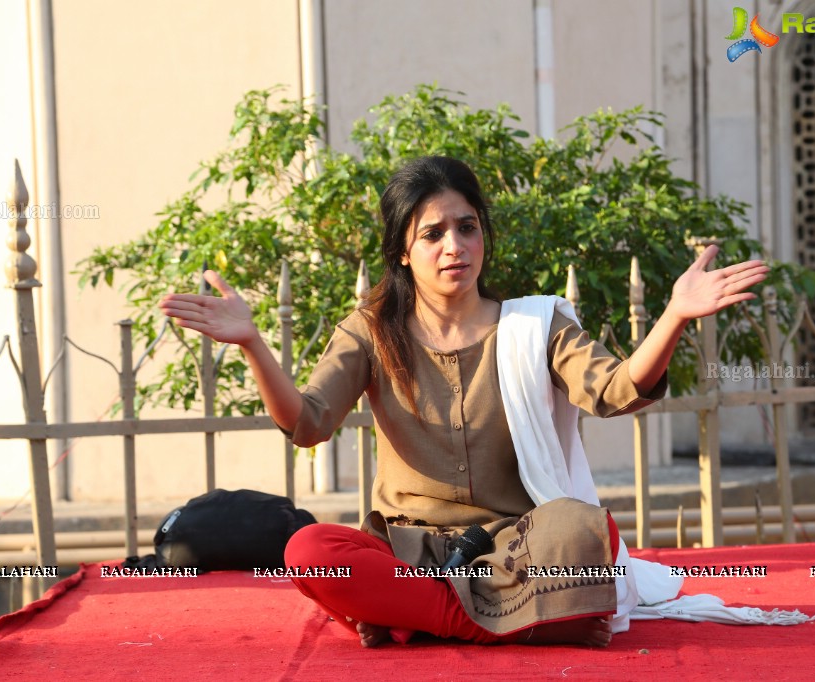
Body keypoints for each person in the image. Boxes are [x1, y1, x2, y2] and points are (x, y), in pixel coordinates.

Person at [158, 155, 769, 648]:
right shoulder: (370, 331)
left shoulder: (534, 327)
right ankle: (504, 622)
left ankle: (414, 619)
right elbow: (308, 424)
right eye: (433, 233)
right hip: (409, 551)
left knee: (589, 534)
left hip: (514, 549)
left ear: (483, 233)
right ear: (402, 250)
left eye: (467, 226)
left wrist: (673, 316)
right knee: (311, 552)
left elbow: (615, 391)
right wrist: (252, 344)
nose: (455, 245)